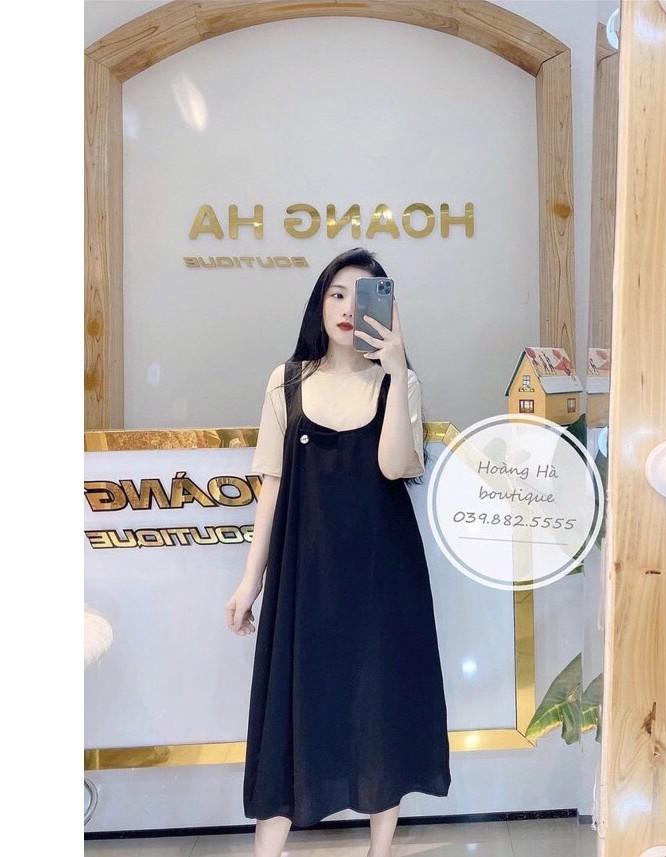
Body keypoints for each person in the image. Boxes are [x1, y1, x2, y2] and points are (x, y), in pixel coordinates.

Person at [225, 247, 451, 857]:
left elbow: (396, 466)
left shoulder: (399, 383)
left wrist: (396, 371)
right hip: (305, 576)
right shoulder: (287, 381)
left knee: (380, 707)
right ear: (320, 304)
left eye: (364, 295)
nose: (349, 308)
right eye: (337, 293)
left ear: (387, 309)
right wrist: (251, 581)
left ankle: (380, 850)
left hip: (383, 577)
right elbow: (272, 485)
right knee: (291, 711)